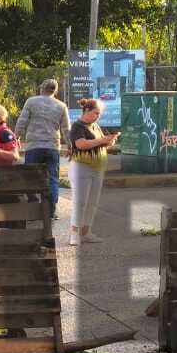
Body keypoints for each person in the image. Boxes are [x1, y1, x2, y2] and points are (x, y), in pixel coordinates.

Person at [66, 98, 117, 246]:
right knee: (80, 202)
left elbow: (99, 143)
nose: (98, 116)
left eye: (99, 114)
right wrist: (102, 140)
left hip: (97, 167)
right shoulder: (77, 126)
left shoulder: (95, 126)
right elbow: (81, 144)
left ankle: (86, 232)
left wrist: (109, 141)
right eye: (96, 113)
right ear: (86, 110)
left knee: (92, 202)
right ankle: (74, 234)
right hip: (81, 167)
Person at [15, 78, 67, 221]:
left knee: (31, 177)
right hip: (52, 147)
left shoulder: (31, 102)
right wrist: (70, 145)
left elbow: (22, 121)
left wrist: (16, 136)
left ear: (41, 88)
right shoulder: (61, 106)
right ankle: (51, 211)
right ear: (55, 91)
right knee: (52, 179)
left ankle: (34, 209)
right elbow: (66, 129)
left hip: (34, 146)